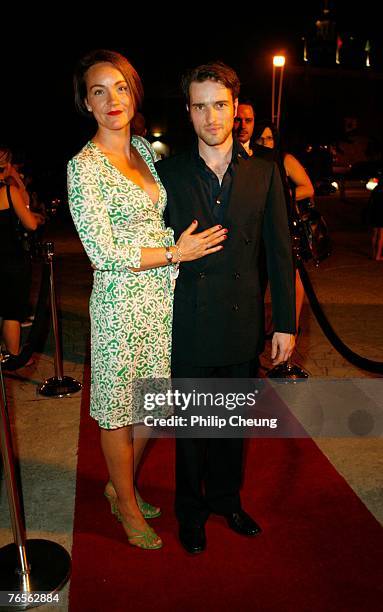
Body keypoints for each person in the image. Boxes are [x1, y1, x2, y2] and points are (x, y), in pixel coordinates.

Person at [67, 49, 226, 550]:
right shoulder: (83, 167)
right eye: (98, 91)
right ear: (87, 104)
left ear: (134, 93)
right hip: (120, 303)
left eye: (119, 87)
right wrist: (177, 251)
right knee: (119, 410)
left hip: (162, 298)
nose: (111, 99)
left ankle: (119, 485)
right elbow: (103, 251)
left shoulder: (142, 149)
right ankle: (127, 504)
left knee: (151, 408)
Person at [156, 62, 296, 554]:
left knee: (232, 424)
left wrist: (284, 323)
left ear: (236, 109)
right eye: (200, 106)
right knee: (192, 429)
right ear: (188, 111)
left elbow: (280, 253)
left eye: (220, 104)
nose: (211, 117)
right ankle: (189, 512)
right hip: (188, 323)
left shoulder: (264, 172)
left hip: (240, 324)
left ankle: (226, 501)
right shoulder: (167, 174)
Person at [252, 121, 314, 328]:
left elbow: (308, 188)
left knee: (291, 276)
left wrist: (282, 196)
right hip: (258, 229)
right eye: (261, 138)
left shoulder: (284, 159)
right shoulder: (252, 159)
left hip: (285, 226)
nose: (264, 142)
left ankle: (291, 325)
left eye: (269, 138)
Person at [0, 147, 43, 357]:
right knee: (11, 312)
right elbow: (31, 225)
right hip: (11, 260)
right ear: (7, 166)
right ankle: (13, 357)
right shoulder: (9, 192)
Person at [367, 176, 383, 261]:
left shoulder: (376, 189)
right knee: (381, 236)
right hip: (381, 213)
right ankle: (378, 255)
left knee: (374, 234)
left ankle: (373, 254)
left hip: (374, 213)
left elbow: (371, 201)